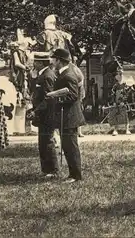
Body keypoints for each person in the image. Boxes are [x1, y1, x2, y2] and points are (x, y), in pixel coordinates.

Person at [50, 48, 86, 183]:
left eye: (54, 59)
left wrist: (56, 98)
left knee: (70, 146)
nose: (52, 61)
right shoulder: (63, 73)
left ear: (59, 60)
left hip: (70, 116)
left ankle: (75, 175)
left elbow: (72, 95)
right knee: (67, 145)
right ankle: (73, 174)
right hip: (66, 116)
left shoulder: (68, 75)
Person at [29, 52, 59, 177]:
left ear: (41, 63)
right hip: (43, 113)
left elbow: (49, 98)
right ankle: (47, 169)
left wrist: (35, 111)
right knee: (43, 141)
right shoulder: (44, 74)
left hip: (47, 114)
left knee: (47, 141)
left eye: (35, 61)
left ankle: (52, 170)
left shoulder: (47, 76)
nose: (34, 63)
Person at [107, 68, 132, 136]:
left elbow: (127, 94)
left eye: (120, 74)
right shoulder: (115, 85)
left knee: (125, 116)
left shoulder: (126, 84)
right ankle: (115, 130)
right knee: (116, 115)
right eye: (118, 74)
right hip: (116, 102)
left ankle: (127, 129)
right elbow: (112, 93)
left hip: (124, 102)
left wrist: (124, 100)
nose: (119, 76)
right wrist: (113, 101)